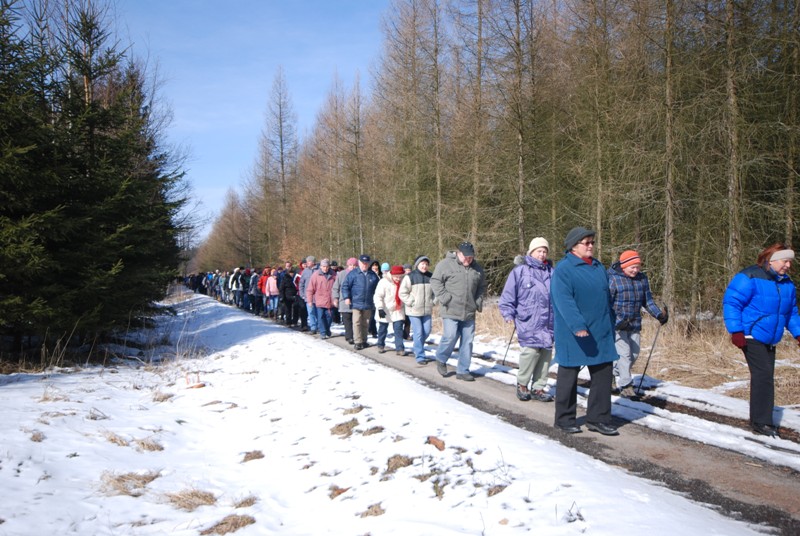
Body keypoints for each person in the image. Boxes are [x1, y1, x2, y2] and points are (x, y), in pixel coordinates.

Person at [723, 244, 800, 438]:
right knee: (763, 376)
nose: (788, 265)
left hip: (771, 337)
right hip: (751, 334)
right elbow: (732, 302)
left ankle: (761, 418)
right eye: (785, 261)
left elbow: (790, 313)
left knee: (766, 376)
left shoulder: (787, 284)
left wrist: (798, 333)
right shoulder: (749, 276)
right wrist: (736, 331)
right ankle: (761, 422)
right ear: (772, 260)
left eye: (790, 261)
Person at [550, 227, 619, 436]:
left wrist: (612, 320)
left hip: (601, 330)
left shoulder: (599, 267)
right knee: (569, 375)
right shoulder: (564, 269)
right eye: (586, 243)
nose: (590, 246)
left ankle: (598, 418)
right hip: (574, 332)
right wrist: (577, 325)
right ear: (573, 246)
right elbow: (564, 301)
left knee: (603, 374)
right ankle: (564, 419)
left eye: (592, 242)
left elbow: (606, 297)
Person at [499, 237, 555, 402]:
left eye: (545, 251)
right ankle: (522, 384)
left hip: (549, 322)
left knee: (545, 355)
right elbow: (508, 295)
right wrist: (508, 313)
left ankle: (538, 387)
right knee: (530, 353)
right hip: (529, 320)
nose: (542, 254)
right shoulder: (520, 271)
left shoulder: (552, 272)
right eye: (539, 251)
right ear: (531, 252)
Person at [607, 250, 668, 397]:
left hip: (634, 323)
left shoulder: (642, 279)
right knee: (624, 355)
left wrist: (659, 315)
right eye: (632, 267)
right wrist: (611, 320)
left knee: (634, 354)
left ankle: (609, 374)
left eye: (637, 267)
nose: (635, 270)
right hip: (617, 325)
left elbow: (648, 301)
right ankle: (626, 386)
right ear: (624, 265)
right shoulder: (613, 279)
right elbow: (606, 303)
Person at [431, 241, 487, 381]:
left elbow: (482, 286)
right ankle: (441, 358)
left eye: (471, 257)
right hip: (450, 309)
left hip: (469, 311)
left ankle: (463, 370)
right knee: (450, 336)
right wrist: (445, 298)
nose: (468, 260)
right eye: (465, 257)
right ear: (458, 253)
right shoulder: (445, 264)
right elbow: (435, 281)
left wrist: (478, 302)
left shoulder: (477, 268)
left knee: (467, 341)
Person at [400, 255, 435, 365]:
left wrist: (433, 302)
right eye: (422, 264)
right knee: (418, 332)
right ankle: (420, 355)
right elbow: (402, 292)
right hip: (414, 310)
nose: (424, 266)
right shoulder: (410, 277)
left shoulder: (431, 277)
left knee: (427, 331)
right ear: (417, 265)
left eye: (426, 264)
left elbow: (437, 292)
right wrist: (411, 302)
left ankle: (417, 345)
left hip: (427, 310)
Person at [341, 254, 381, 350]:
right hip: (356, 302)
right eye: (363, 263)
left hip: (368, 303)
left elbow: (378, 289)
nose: (365, 265)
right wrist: (347, 297)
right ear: (359, 263)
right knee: (357, 322)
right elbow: (345, 286)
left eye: (366, 263)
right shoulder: (353, 274)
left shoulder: (373, 275)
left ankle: (364, 340)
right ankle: (358, 341)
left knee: (366, 322)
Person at [373, 265, 407, 355]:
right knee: (383, 329)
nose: (398, 279)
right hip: (385, 309)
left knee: (398, 329)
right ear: (391, 275)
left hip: (398, 309)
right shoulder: (383, 282)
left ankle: (400, 348)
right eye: (396, 277)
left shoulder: (404, 282)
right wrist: (380, 308)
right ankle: (380, 344)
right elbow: (378, 296)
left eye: (400, 277)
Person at [307, 258, 337, 339]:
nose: (325, 268)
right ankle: (323, 332)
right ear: (320, 266)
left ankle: (327, 329)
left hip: (330, 300)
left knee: (329, 317)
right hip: (319, 300)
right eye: (323, 266)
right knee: (320, 317)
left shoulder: (333, 275)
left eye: (327, 266)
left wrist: (337, 298)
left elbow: (337, 287)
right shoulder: (315, 275)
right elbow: (310, 289)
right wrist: (309, 300)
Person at [333, 257, 358, 344]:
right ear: (347, 265)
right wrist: (335, 298)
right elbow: (336, 287)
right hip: (344, 301)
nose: (353, 267)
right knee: (347, 320)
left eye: (355, 265)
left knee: (355, 321)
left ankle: (355, 336)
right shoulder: (341, 274)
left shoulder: (359, 274)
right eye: (351, 265)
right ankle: (349, 336)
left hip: (356, 301)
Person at [299, 256, 318, 333]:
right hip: (308, 296)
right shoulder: (305, 271)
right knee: (310, 312)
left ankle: (319, 326)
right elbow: (301, 284)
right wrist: (302, 294)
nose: (307, 263)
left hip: (318, 296)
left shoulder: (319, 270)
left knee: (318, 313)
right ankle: (313, 328)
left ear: (313, 262)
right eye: (307, 261)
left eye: (309, 261)